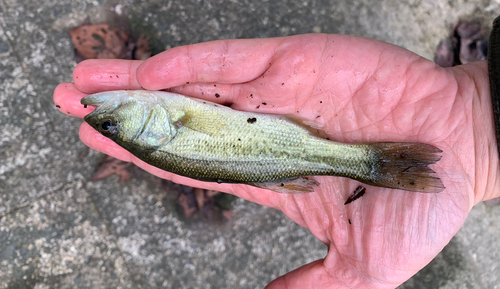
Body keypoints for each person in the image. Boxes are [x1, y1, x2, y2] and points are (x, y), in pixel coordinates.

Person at [53, 33, 500, 288]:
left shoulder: (160, 122)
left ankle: (374, 162)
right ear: (149, 133)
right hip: (284, 150)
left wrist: (477, 121)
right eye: (114, 127)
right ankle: (370, 163)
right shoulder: (167, 122)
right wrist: (478, 122)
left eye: (107, 123)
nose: (105, 117)